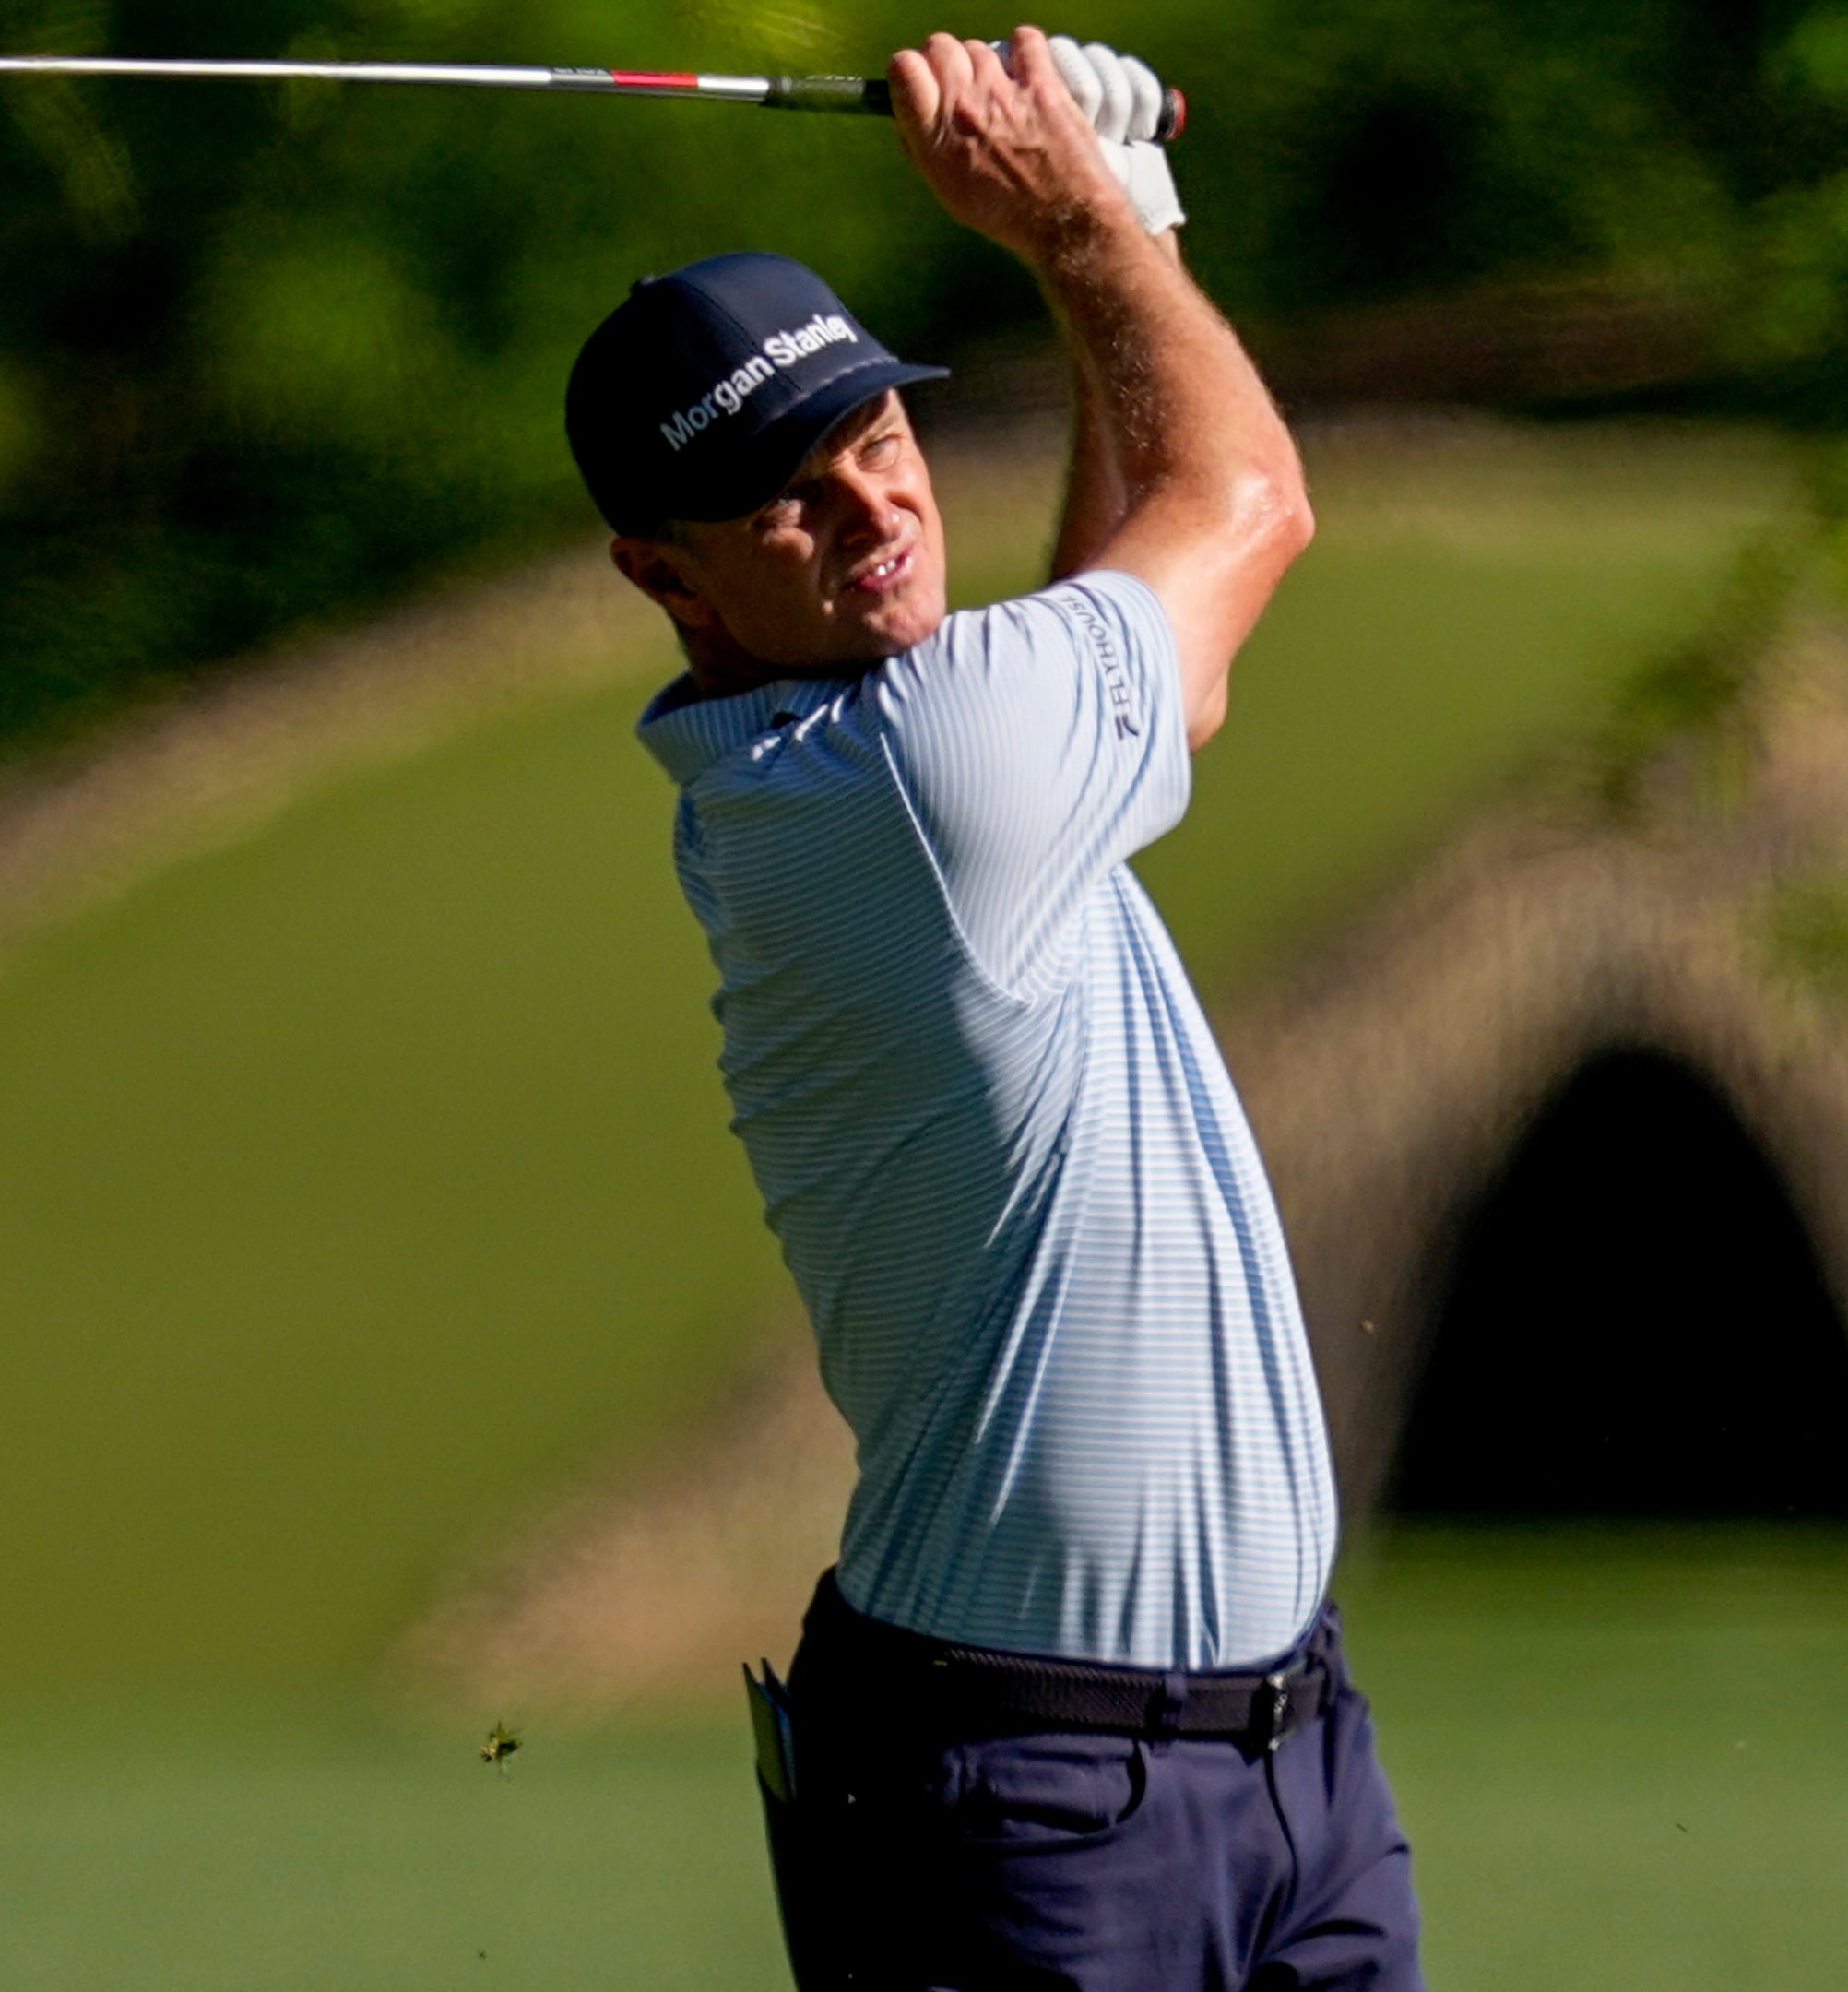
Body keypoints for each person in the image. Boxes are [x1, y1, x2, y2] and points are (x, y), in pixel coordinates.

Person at [560, 26, 1422, 1992]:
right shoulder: (908, 783)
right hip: (1024, 1798)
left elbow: (1133, 609)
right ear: (659, 573)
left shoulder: (923, 758)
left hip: (1281, 1756)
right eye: (785, 499)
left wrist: (1133, 221)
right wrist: (1074, 221)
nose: (870, 508)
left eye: (878, 441)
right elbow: (1250, 502)